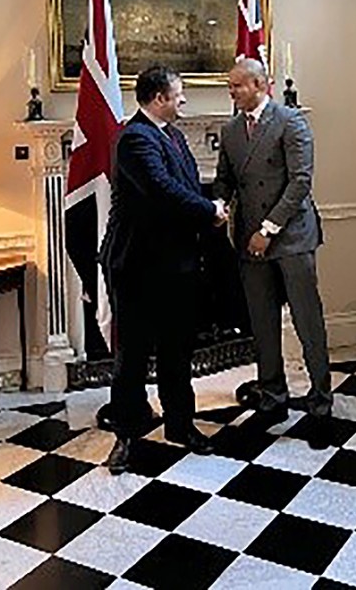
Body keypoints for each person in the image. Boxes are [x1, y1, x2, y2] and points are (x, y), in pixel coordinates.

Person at [99, 65, 228, 474]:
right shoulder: (135, 138)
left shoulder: (172, 135)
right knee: (132, 357)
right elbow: (161, 189)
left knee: (177, 351)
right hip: (137, 266)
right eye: (178, 93)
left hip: (176, 265)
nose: (184, 99)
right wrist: (209, 210)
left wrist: (213, 204)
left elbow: (186, 185)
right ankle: (126, 435)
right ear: (159, 98)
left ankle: (180, 425)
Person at [215, 58, 332, 448]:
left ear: (260, 85)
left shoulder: (291, 121)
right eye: (230, 86)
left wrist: (268, 229)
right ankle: (272, 399)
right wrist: (219, 205)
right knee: (262, 324)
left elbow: (300, 182)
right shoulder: (231, 130)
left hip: (291, 237)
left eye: (237, 86)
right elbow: (225, 179)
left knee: (307, 323)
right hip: (250, 242)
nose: (231, 92)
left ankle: (321, 405)